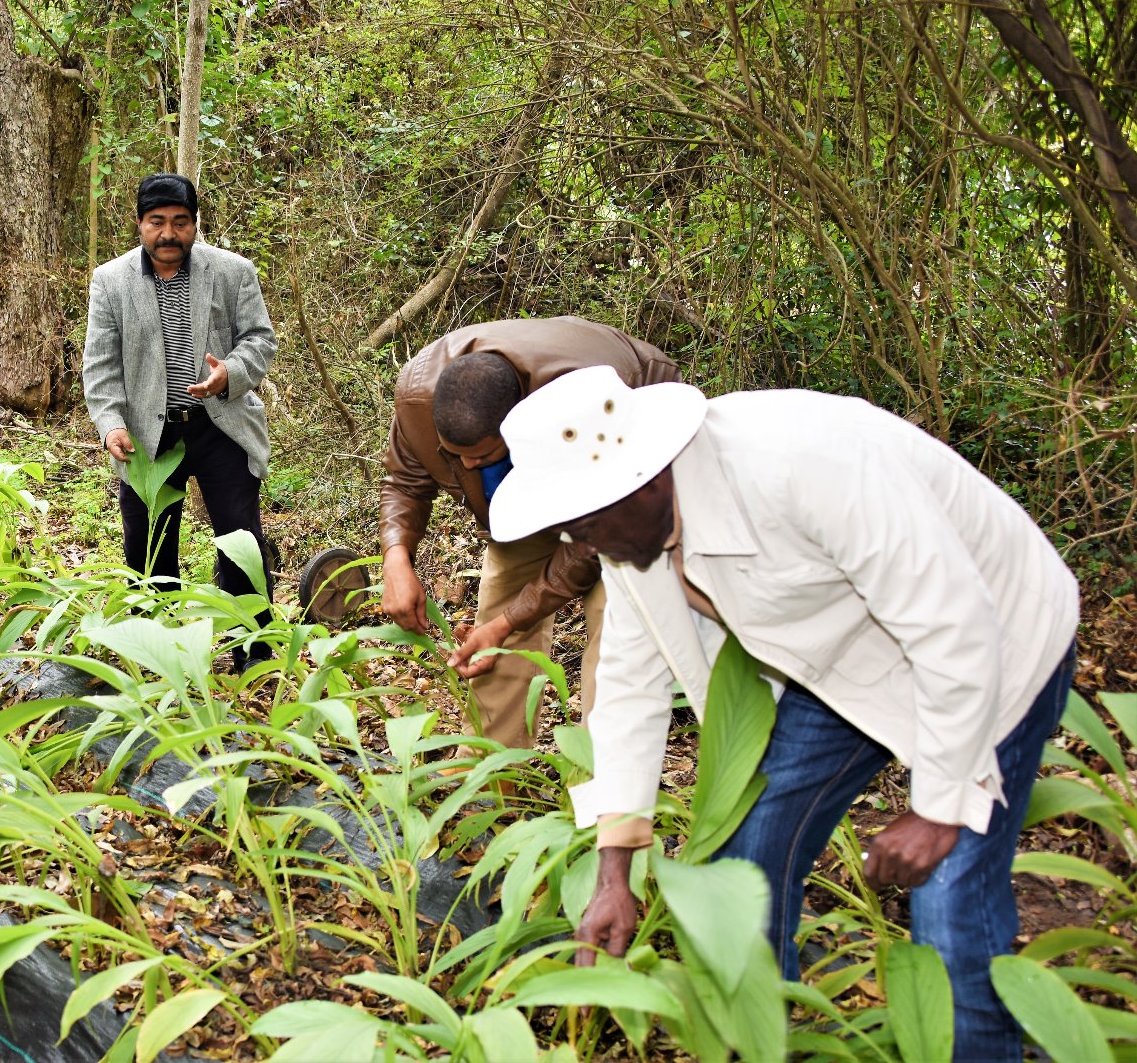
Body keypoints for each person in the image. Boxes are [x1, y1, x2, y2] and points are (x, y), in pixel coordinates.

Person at [488, 366, 1078, 1060]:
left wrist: (937, 807)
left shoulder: (807, 462)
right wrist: (613, 874)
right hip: (837, 666)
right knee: (749, 865)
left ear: (644, 481)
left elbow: (952, 621)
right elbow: (629, 689)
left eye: (584, 527)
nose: (583, 550)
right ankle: (766, 1042)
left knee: (948, 918)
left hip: (995, 642)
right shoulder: (623, 533)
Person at [380, 317, 678, 748]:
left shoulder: (584, 405)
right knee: (494, 641)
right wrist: (396, 557)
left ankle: (603, 792)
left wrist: (508, 622)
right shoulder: (417, 399)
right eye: (453, 456)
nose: (465, 467)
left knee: (616, 632)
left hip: (624, 487)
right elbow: (405, 481)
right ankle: (490, 778)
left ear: (518, 427)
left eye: (480, 456)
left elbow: (589, 546)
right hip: (526, 488)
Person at [82, 174, 278, 667]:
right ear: (139, 224)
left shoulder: (233, 272)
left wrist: (229, 373)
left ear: (194, 224)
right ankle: (158, 653)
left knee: (240, 540)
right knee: (150, 545)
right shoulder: (112, 280)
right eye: (157, 223)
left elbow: (260, 339)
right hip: (150, 434)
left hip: (221, 424)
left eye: (180, 222)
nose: (168, 234)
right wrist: (111, 425)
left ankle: (254, 653)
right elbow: (101, 365)